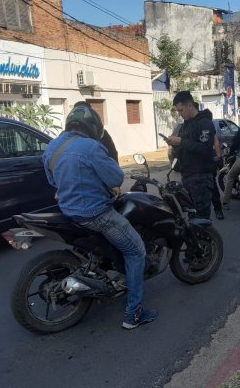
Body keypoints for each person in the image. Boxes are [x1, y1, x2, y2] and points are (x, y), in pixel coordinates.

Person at [43, 104, 157, 330]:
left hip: (68, 211)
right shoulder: (92, 147)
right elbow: (115, 178)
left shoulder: (53, 147)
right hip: (95, 214)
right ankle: (134, 314)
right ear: (93, 127)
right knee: (136, 251)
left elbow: (52, 181)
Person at [166, 91, 215, 219]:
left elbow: (205, 149)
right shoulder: (185, 126)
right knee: (192, 217)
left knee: (201, 219)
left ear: (190, 106)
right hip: (187, 177)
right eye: (178, 111)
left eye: (181, 110)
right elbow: (184, 149)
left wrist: (181, 141)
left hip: (201, 178)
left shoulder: (204, 123)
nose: (180, 114)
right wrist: (174, 145)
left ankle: (207, 239)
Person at [211, 119, 225, 220]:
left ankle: (218, 209)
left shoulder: (209, 127)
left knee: (212, 185)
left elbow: (217, 140)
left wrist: (219, 155)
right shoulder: (188, 126)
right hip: (195, 166)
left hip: (211, 159)